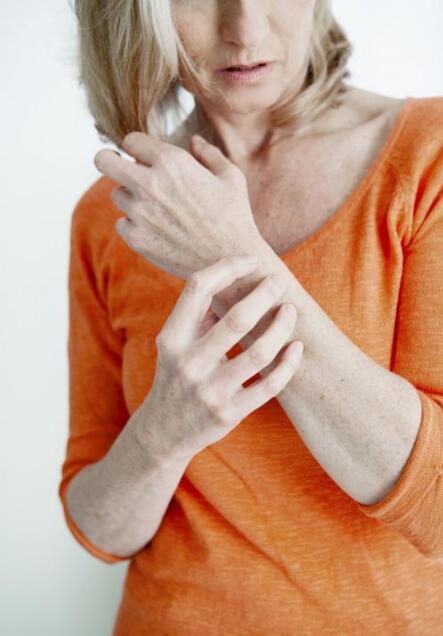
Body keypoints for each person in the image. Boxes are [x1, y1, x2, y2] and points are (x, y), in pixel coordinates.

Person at [59, 1, 443, 634]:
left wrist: (230, 255)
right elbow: (98, 527)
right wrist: (162, 433)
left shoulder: (427, 157)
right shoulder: (113, 215)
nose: (246, 30)